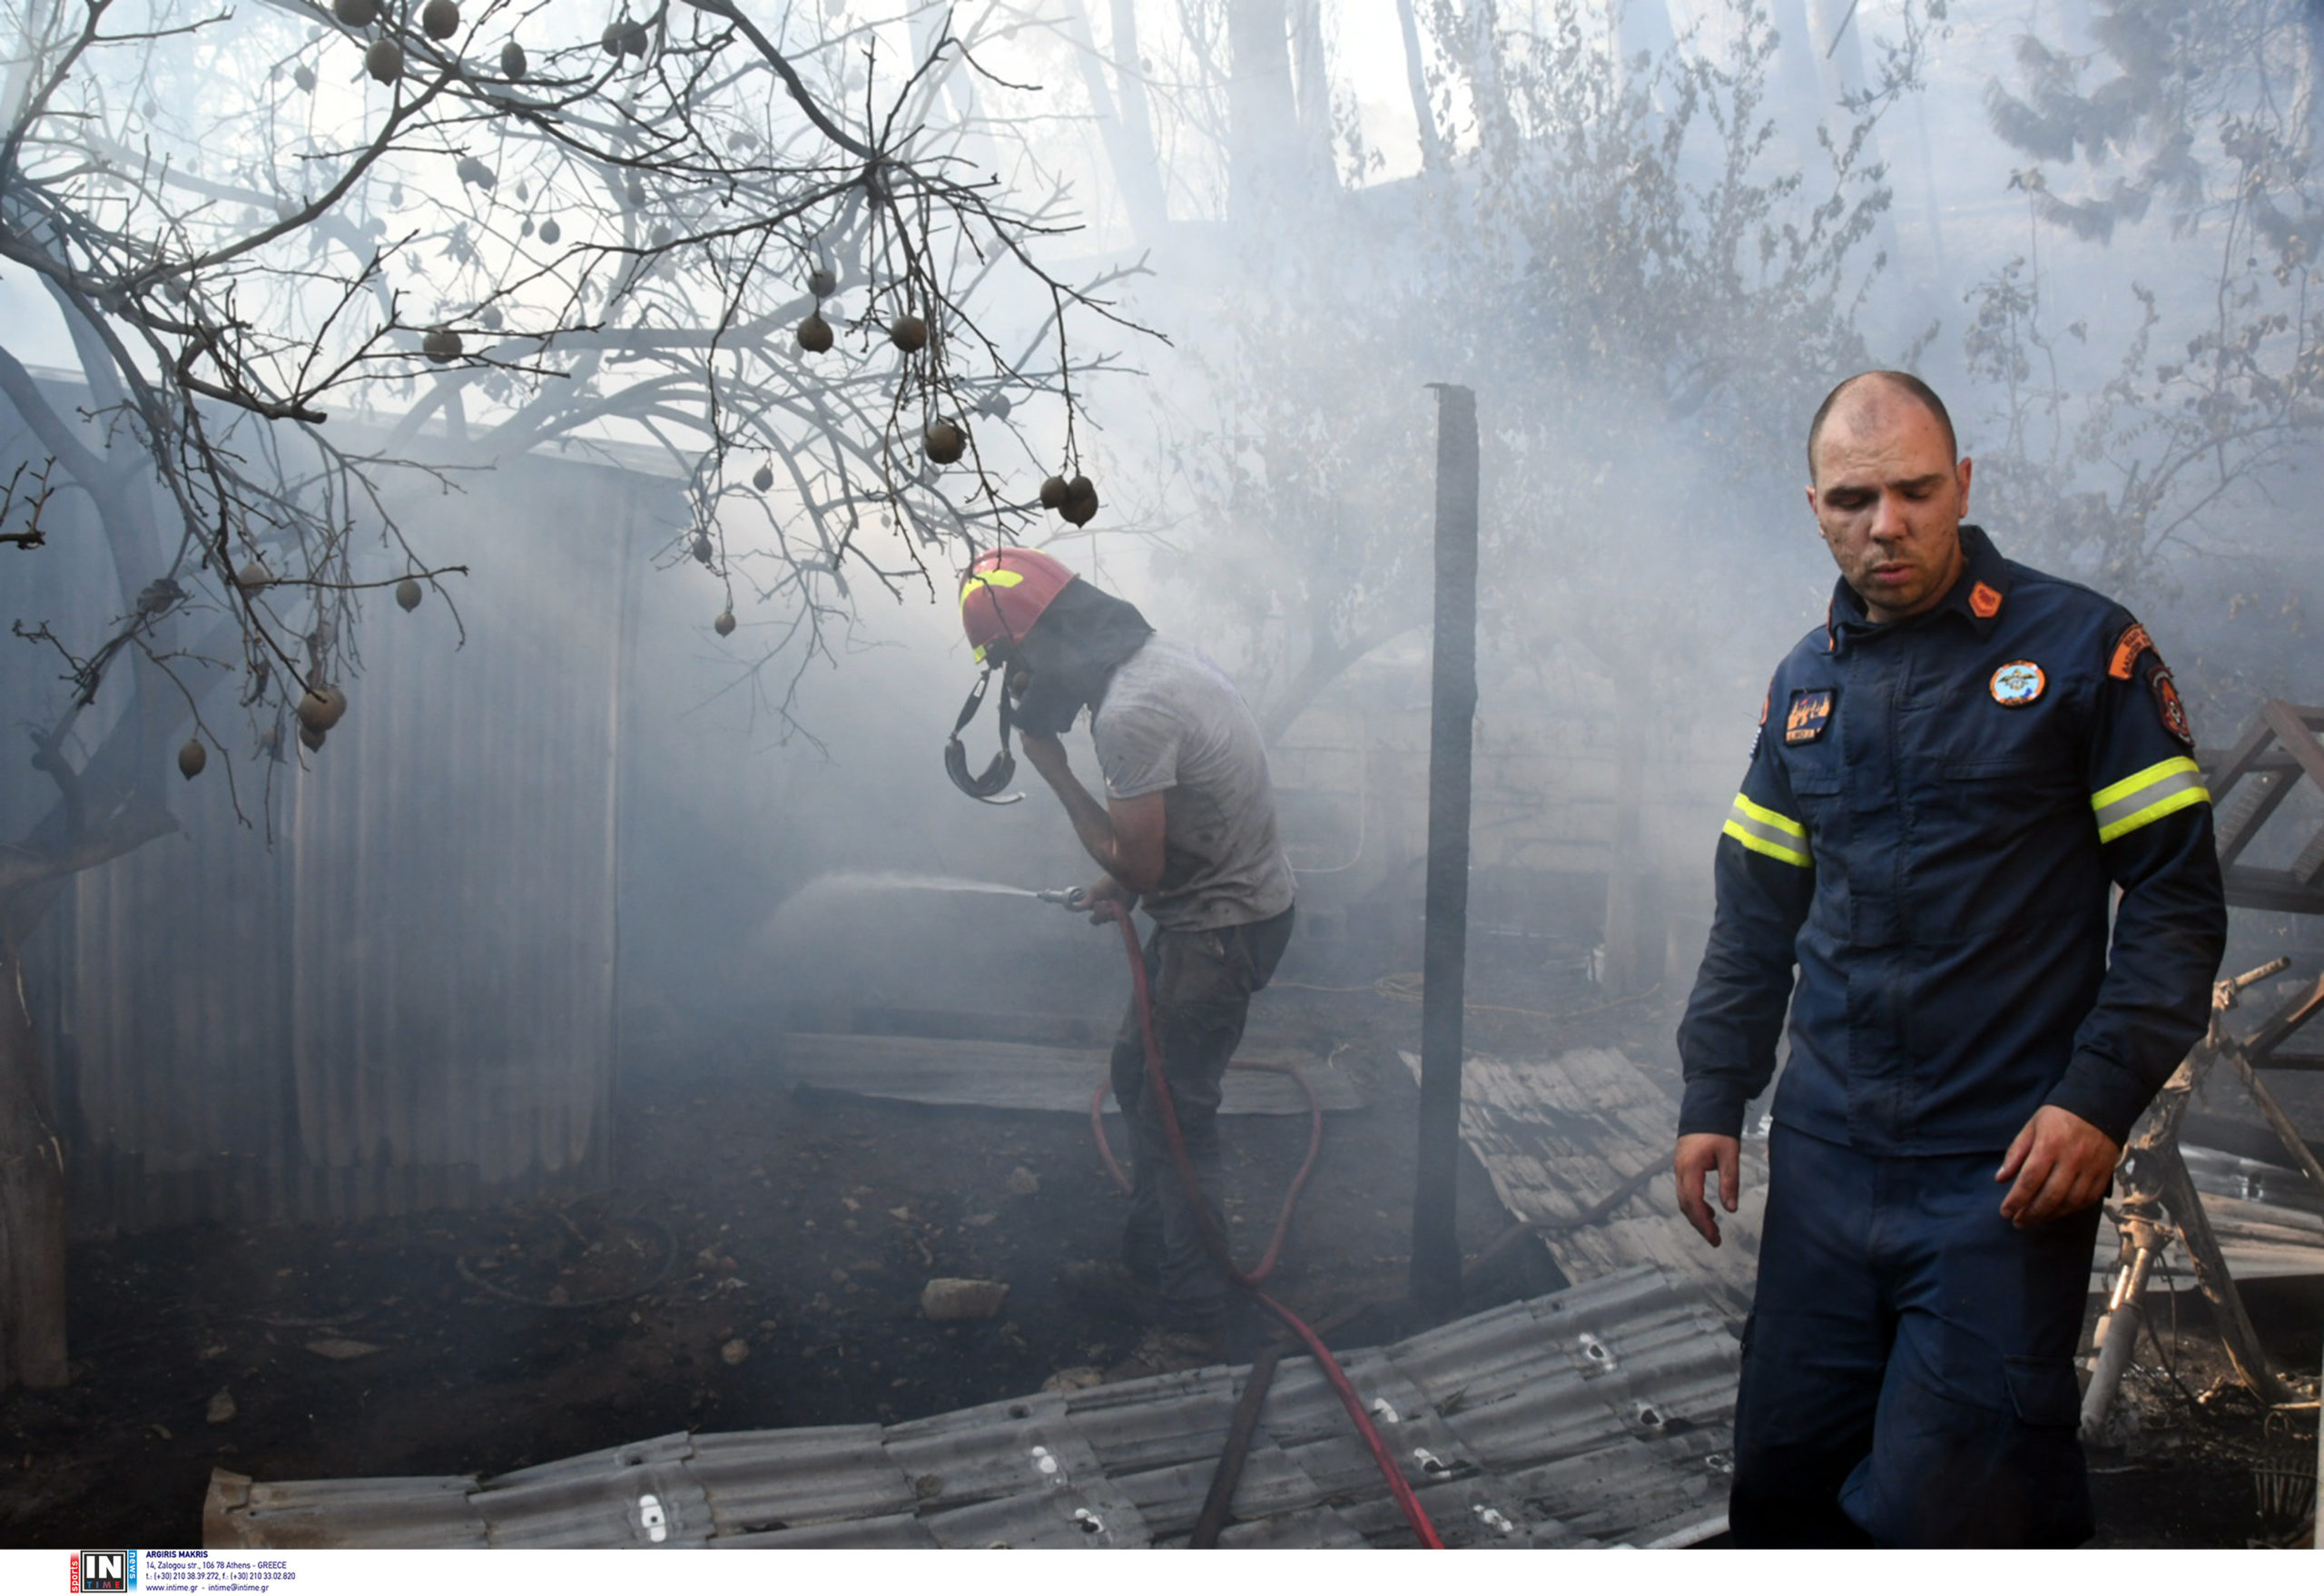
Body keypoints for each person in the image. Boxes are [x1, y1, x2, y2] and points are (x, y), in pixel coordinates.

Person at [1672, 372, 2228, 1547]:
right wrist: (1713, 1091)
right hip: (1823, 1172)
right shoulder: (1803, 687)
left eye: (1916, 492)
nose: (1887, 525)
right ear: (1814, 509)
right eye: (1853, 499)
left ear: (1964, 486)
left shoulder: (2085, 651)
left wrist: (2097, 1098)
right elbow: (1754, 916)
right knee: (1782, 1499)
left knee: (1952, 1516)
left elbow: (2176, 899)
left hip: (2002, 1176)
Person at [956, 547, 1296, 1371]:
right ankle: (1152, 1269)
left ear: (1043, 648)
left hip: (1219, 929)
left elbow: (1141, 864)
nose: (1020, 690)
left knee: (1174, 1118)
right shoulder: (1157, 663)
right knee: (1140, 1079)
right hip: (1217, 906)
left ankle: (1194, 1321)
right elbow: (1174, 825)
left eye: (1014, 669)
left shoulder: (1127, 716)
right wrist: (1127, 881)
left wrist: (1054, 771)